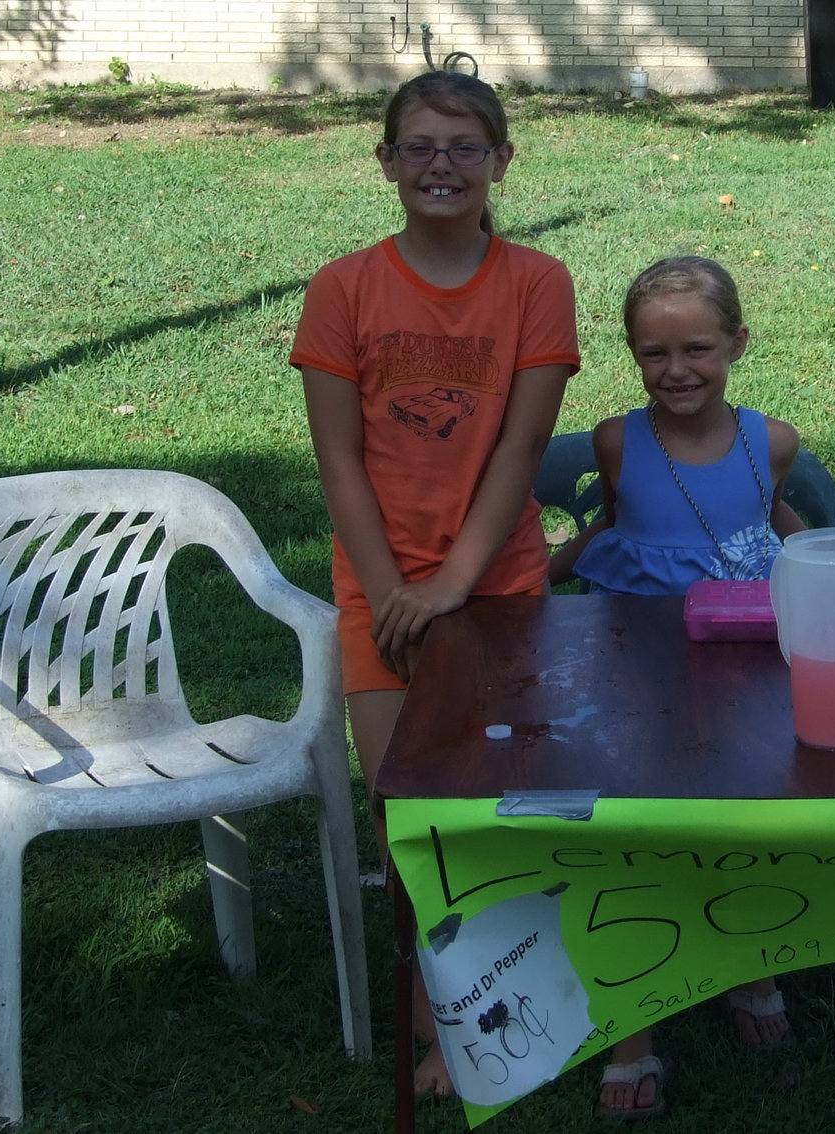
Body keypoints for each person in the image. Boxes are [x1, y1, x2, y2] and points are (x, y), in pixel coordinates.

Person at [289, 70, 580, 1097]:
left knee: (510, 804)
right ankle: (443, 1029)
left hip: (496, 584)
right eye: (418, 147)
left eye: (463, 147)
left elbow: (521, 446)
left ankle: (542, 1003)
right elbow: (338, 462)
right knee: (407, 813)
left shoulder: (536, 283)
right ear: (385, 163)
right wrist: (392, 592)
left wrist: (455, 580)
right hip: (382, 595)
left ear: (502, 161)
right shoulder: (343, 289)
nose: (441, 166)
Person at [551, 256, 805, 1119]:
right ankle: (636, 1029)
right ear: (631, 356)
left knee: (752, 812)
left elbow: (776, 522)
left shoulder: (772, 440)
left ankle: (750, 964)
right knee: (638, 831)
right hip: (640, 670)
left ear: (738, 342)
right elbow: (608, 530)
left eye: (698, 348)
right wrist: (522, 592)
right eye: (654, 354)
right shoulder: (619, 441)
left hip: (744, 664)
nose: (678, 370)